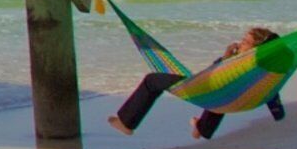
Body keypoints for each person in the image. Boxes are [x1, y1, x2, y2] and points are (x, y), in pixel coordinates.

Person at [108, 25, 284, 139]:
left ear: (255, 48)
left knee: (152, 80)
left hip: (207, 87)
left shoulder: (238, 62)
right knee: (222, 94)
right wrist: (277, 112)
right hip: (225, 96)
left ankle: (127, 122)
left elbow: (214, 73)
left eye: (246, 42)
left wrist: (226, 57)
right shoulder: (261, 69)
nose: (240, 43)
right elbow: (269, 89)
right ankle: (203, 128)